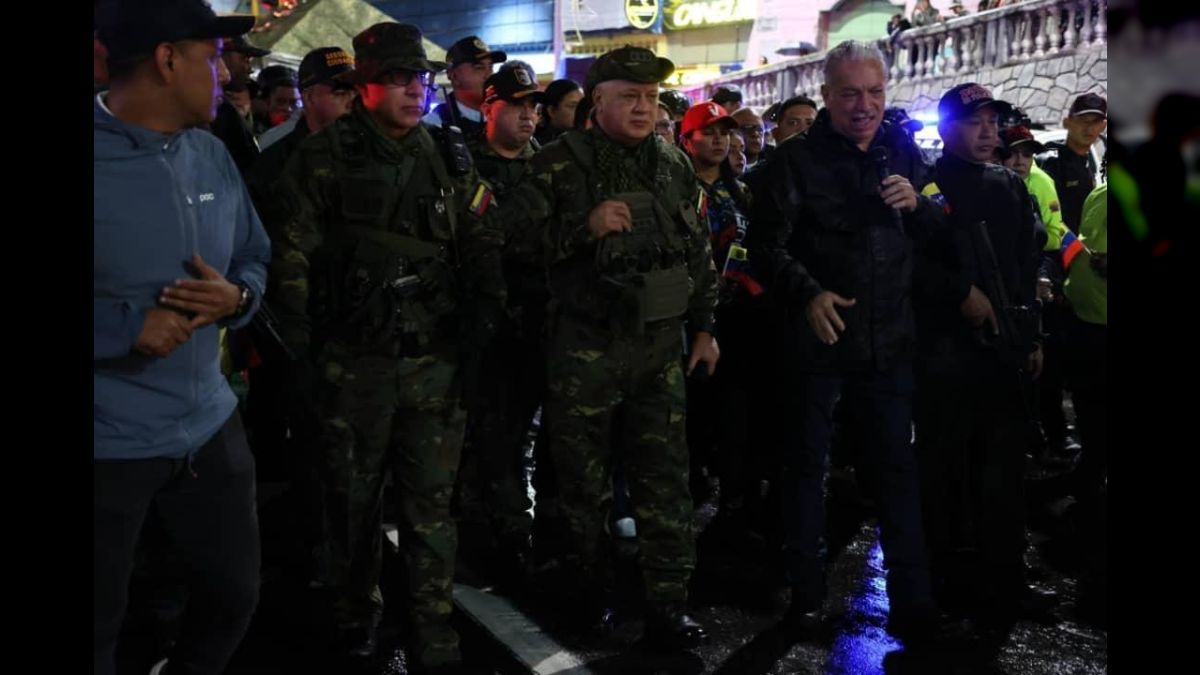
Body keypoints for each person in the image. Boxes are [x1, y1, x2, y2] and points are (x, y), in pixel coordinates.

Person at [266, 22, 507, 670]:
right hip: (355, 365)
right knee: (352, 506)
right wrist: (304, 354)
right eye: (399, 78)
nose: (413, 89)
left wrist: (480, 337)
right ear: (365, 86)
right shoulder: (322, 158)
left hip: (435, 362)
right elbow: (289, 259)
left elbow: (483, 246)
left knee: (432, 507)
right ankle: (356, 616)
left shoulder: (445, 155)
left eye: (419, 78)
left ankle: (433, 630)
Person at [746, 40, 948, 645]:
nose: (865, 105)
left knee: (897, 473)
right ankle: (804, 599)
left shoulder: (905, 151)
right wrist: (808, 293)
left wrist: (920, 208)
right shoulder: (791, 163)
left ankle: (915, 606)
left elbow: (943, 229)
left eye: (875, 92)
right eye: (851, 93)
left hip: (890, 348)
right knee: (807, 472)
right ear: (828, 94)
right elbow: (764, 248)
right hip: (818, 349)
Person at [93, 2, 270, 674]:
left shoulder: (212, 154)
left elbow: (255, 256)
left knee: (232, 596)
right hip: (108, 444)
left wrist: (239, 297)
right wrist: (123, 328)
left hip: (209, 425)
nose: (224, 72)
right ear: (167, 60)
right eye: (209, 55)